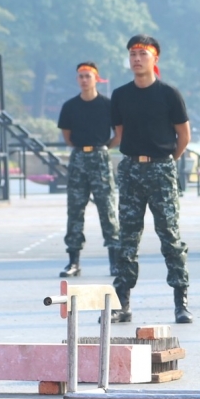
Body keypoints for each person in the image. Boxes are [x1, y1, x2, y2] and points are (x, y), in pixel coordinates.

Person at [110, 35, 193, 324]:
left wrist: (168, 160)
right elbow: (120, 132)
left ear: (155, 58)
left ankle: (181, 301)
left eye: (143, 53)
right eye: (132, 53)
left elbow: (183, 136)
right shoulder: (120, 95)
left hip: (161, 169)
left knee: (170, 237)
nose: (136, 59)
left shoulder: (169, 94)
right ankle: (122, 302)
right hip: (132, 170)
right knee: (127, 239)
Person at [56, 62, 119, 278]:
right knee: (75, 209)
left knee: (107, 208)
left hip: (100, 157)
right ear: (77, 80)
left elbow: (119, 133)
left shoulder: (107, 105)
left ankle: (114, 260)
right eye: (81, 76)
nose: (84, 80)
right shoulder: (70, 106)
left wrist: (104, 147)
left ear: (96, 78)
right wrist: (81, 150)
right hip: (78, 157)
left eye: (88, 76)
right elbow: (67, 135)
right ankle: (73, 261)